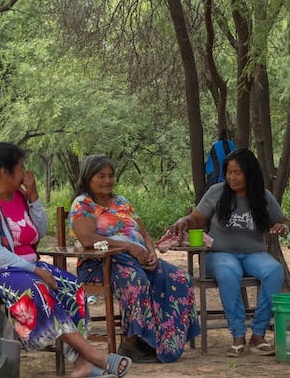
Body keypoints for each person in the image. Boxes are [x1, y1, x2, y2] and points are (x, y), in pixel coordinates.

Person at [0, 142, 131, 378]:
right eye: (21, 169)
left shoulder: (18, 196)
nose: (26, 173)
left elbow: (37, 232)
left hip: (23, 267)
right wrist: (36, 270)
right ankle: (90, 355)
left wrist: (34, 197)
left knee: (71, 285)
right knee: (36, 288)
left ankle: (80, 364)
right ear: (4, 173)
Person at [69, 155, 200, 364]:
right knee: (135, 280)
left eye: (110, 176)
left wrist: (151, 253)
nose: (107, 180)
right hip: (101, 263)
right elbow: (87, 239)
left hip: (137, 258)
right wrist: (127, 246)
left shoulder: (122, 202)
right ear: (87, 178)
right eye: (100, 176)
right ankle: (130, 343)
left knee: (180, 278)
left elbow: (144, 234)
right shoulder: (83, 204)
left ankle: (159, 340)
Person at [168, 148, 290, 357]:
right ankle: (238, 335)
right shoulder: (217, 191)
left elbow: (283, 221)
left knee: (274, 270)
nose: (232, 177)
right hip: (220, 254)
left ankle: (258, 334)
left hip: (253, 254)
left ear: (250, 173)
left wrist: (283, 228)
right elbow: (197, 219)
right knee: (229, 271)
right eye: (229, 172)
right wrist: (183, 221)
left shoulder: (263, 196)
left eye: (238, 172)